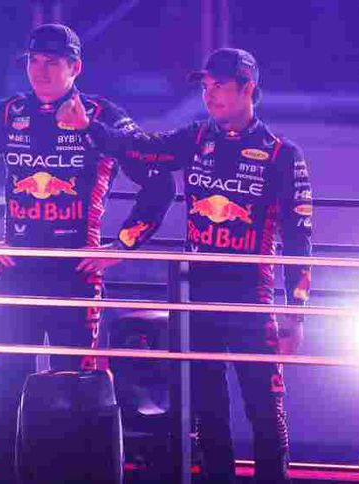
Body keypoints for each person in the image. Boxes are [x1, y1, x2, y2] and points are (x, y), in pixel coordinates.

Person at [57, 47, 312, 483]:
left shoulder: (281, 155)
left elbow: (298, 237)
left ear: (248, 89)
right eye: (205, 87)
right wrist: (90, 128)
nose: (209, 95)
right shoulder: (196, 138)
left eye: (220, 87)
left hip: (251, 300)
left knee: (265, 409)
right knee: (207, 412)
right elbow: (143, 150)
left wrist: (296, 310)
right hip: (195, 297)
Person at [0, 23, 174, 483]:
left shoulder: (102, 117)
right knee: (5, 391)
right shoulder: (8, 114)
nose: (41, 71)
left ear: (75, 67)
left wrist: (123, 245)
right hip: (16, 273)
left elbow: (159, 182)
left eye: (52, 62)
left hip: (77, 276)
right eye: (33, 61)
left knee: (77, 393)